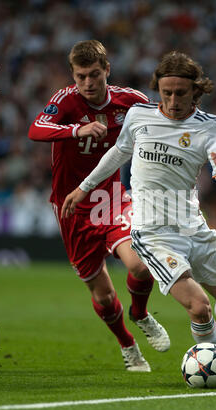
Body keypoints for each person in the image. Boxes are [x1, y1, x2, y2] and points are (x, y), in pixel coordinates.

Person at [61, 51, 216, 388]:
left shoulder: (210, 127)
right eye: (166, 92)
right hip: (152, 233)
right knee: (198, 307)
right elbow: (118, 152)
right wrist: (84, 188)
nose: (172, 100)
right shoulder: (139, 116)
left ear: (195, 91)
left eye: (180, 93)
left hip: (194, 227)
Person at [28, 39, 171, 373]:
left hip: (110, 198)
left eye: (94, 74)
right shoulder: (65, 101)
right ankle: (128, 345)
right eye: (80, 76)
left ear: (107, 70)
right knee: (104, 295)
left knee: (140, 265)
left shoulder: (131, 101)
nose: (88, 83)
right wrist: (77, 129)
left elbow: (162, 126)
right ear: (73, 76)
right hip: (71, 208)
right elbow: (36, 129)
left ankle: (140, 313)